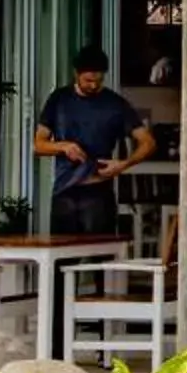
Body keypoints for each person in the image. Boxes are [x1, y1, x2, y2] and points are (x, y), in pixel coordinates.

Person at [33, 44, 153, 237]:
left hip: (98, 189)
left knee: (98, 258)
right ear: (76, 74)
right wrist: (63, 147)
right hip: (64, 189)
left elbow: (148, 142)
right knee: (61, 258)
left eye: (99, 80)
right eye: (88, 80)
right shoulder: (59, 99)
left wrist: (123, 164)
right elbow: (38, 145)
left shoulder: (115, 104)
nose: (93, 85)